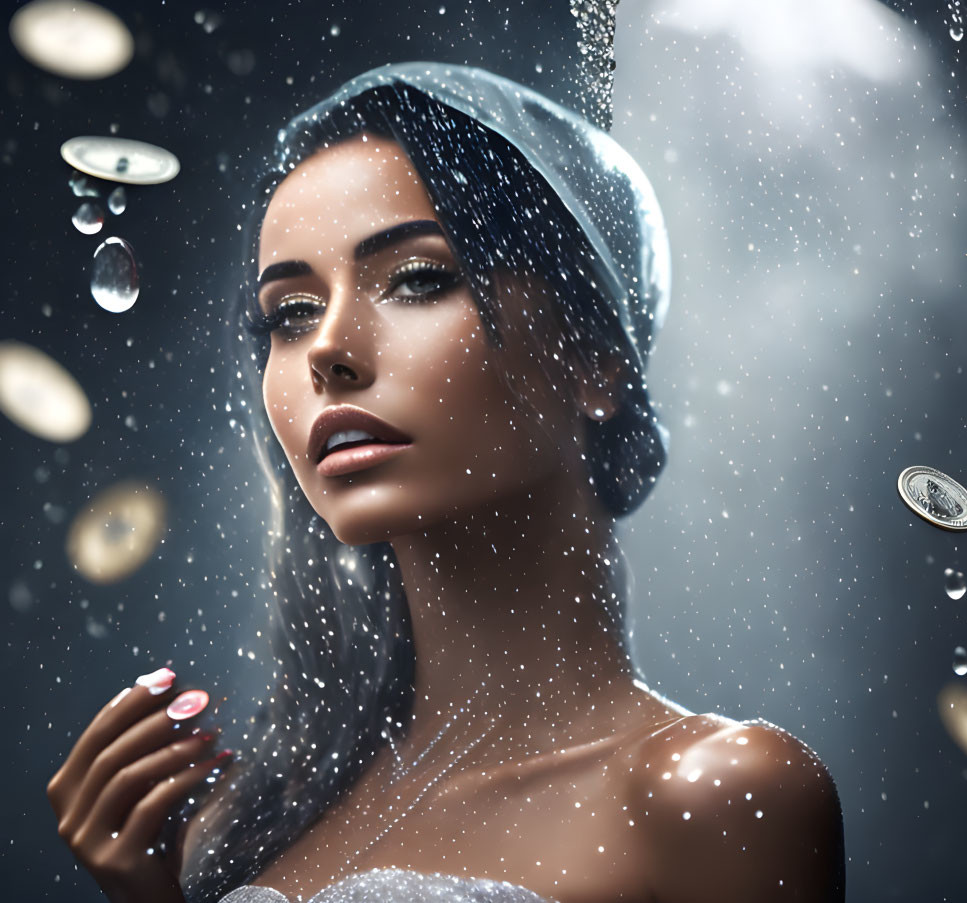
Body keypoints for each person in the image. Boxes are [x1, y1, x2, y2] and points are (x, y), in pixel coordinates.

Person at [47, 62, 845, 903]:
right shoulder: (242, 822)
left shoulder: (717, 794)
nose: (325, 350)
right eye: (289, 313)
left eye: (418, 279)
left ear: (597, 360)